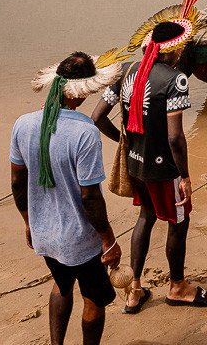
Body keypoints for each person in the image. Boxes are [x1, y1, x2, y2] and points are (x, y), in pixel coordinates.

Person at [93, 0, 207, 313]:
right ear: (175, 51)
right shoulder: (175, 80)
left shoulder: (128, 70)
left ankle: (134, 289)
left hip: (135, 163)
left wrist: (124, 140)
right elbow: (176, 137)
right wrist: (186, 176)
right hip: (164, 168)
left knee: (146, 216)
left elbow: (97, 116)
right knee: (178, 221)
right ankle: (177, 286)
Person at [11, 51, 124, 345]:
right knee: (93, 299)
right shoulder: (85, 132)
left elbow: (17, 182)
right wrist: (108, 240)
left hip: (44, 235)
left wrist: (28, 223)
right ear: (82, 94)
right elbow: (90, 198)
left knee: (61, 286)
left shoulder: (23, 124)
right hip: (81, 240)